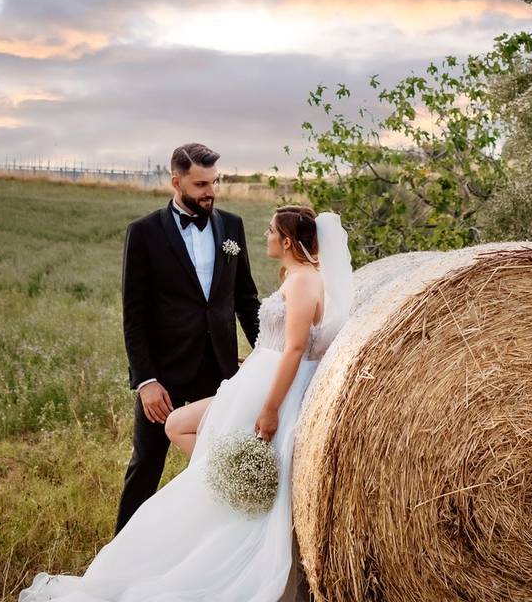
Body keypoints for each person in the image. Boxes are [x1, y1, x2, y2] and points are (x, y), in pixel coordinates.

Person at [20, 205, 353, 602]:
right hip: (256, 379)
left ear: (285, 241)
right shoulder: (296, 276)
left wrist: (269, 408)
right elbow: (283, 341)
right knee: (180, 425)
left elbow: (297, 348)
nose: (263, 236)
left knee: (198, 437)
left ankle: (233, 497)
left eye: (269, 231)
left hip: (272, 391)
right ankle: (229, 484)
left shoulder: (303, 281)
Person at [115, 142, 261, 534]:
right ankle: (121, 552)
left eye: (213, 182)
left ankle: (209, 544)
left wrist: (267, 356)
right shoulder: (143, 233)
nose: (209, 191)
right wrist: (146, 381)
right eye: (200, 184)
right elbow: (134, 315)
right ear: (176, 181)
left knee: (217, 463)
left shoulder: (232, 227)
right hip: (162, 376)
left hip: (218, 371)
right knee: (146, 464)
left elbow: (245, 300)